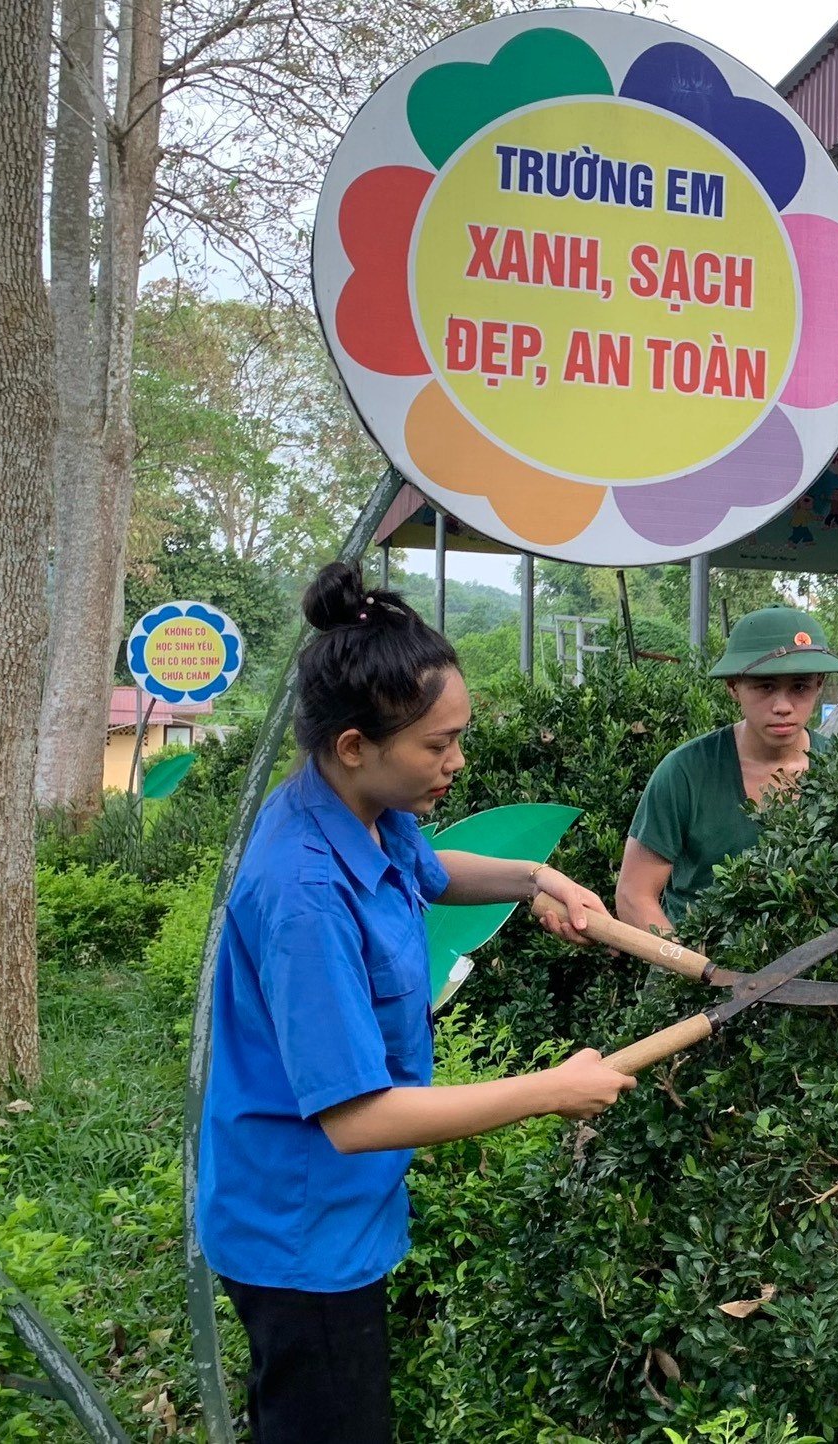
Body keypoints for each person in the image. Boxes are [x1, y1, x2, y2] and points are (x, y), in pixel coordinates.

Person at [197, 564, 635, 1444]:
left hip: (342, 1214)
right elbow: (358, 1119)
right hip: (300, 1234)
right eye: (438, 744)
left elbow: (434, 871)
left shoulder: (366, 808)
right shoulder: (305, 894)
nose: (457, 761)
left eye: (460, 736)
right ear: (355, 742)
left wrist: (541, 879)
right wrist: (553, 1088)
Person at [618, 607, 838, 932]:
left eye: (800, 687)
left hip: (811, 977)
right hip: (695, 964)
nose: (783, 706)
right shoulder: (686, 772)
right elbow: (633, 895)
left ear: (819, 684)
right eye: (765, 687)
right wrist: (689, 969)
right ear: (732, 686)